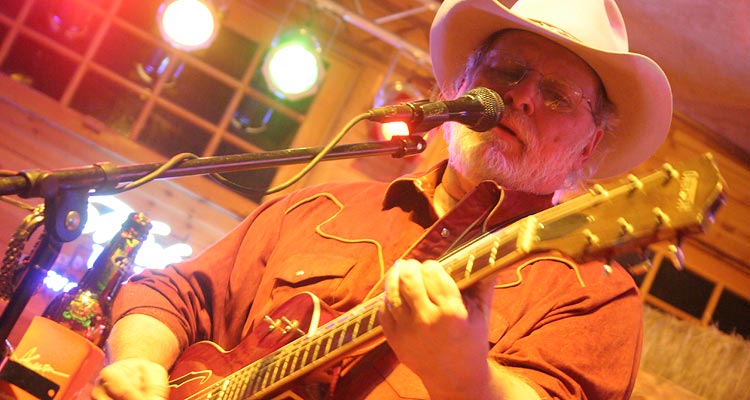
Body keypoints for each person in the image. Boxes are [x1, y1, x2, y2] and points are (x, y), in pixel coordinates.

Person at [92, 0, 672, 399]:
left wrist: (467, 378)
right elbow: (171, 291)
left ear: (589, 145)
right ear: (457, 87)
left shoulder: (592, 292)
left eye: (556, 96)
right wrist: (138, 359)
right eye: (507, 71)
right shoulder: (322, 207)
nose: (520, 96)